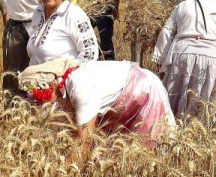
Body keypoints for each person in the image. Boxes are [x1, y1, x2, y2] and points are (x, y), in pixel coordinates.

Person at [18, 57, 175, 155]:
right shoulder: (64, 88)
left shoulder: (80, 87)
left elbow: (83, 139)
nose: (41, 105)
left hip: (143, 93)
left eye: (40, 98)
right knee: (115, 150)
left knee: (145, 152)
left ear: (51, 85)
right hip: (122, 99)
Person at [27, 0, 99, 66]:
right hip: (39, 78)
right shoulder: (38, 12)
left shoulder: (73, 14)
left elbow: (90, 53)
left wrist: (66, 76)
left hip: (66, 79)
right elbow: (35, 54)